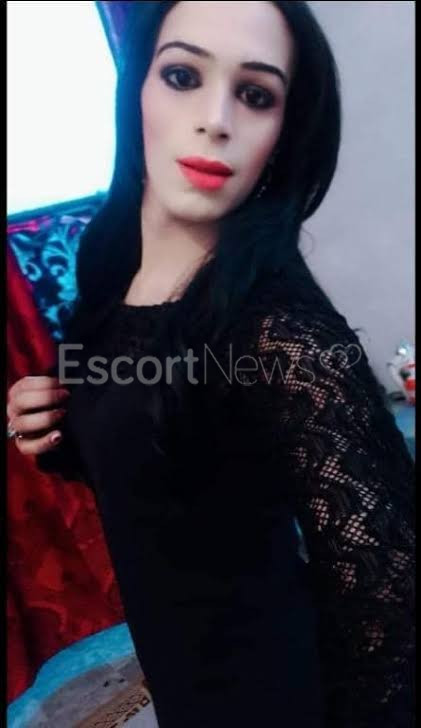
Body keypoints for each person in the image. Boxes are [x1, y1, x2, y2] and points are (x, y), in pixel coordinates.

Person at [7, 2, 414, 727]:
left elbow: (392, 593)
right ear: (136, 87)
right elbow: (157, 460)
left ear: (285, 133)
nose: (215, 119)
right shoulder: (108, 262)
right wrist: (51, 426)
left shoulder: (279, 329)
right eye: (182, 76)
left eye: (255, 94)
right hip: (182, 682)